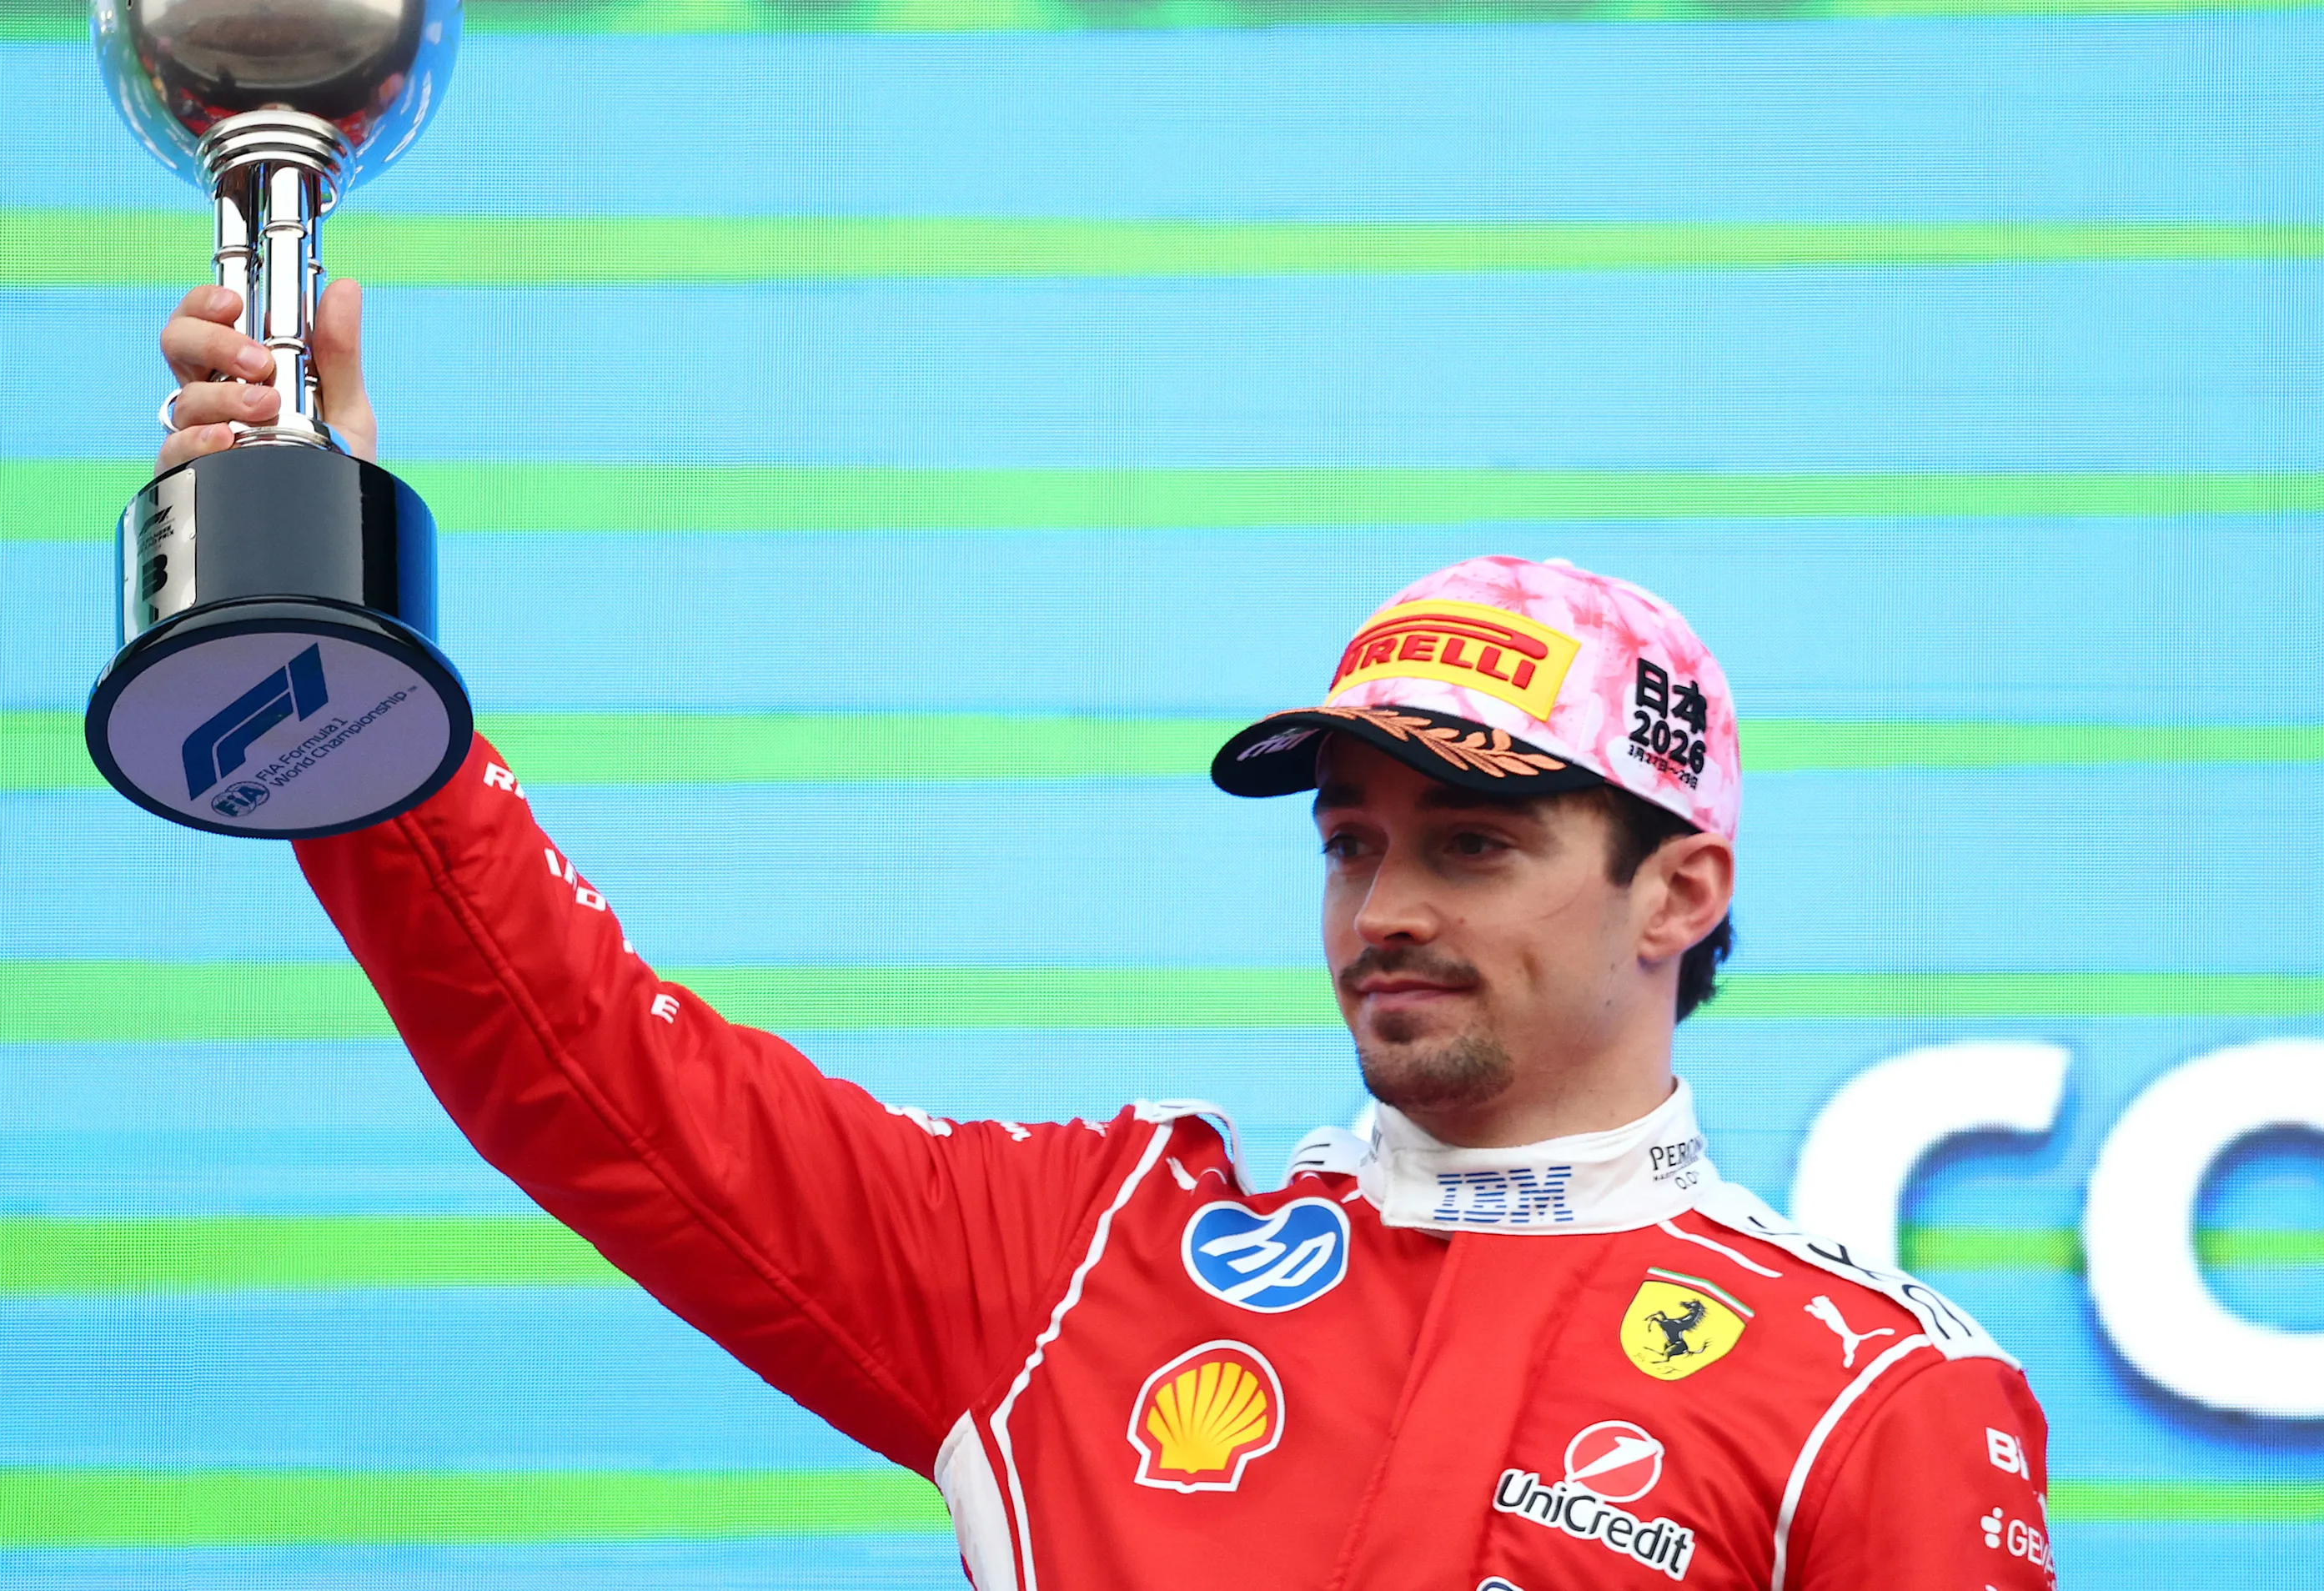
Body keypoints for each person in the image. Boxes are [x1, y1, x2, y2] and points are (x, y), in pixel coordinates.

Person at [155, 286, 2056, 1590]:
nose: (1383, 909)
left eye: (1472, 847)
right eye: (1352, 844)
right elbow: (588, 1072)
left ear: (1678, 892)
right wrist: (329, 634)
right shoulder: (1085, 1264)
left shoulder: (1869, 1395)